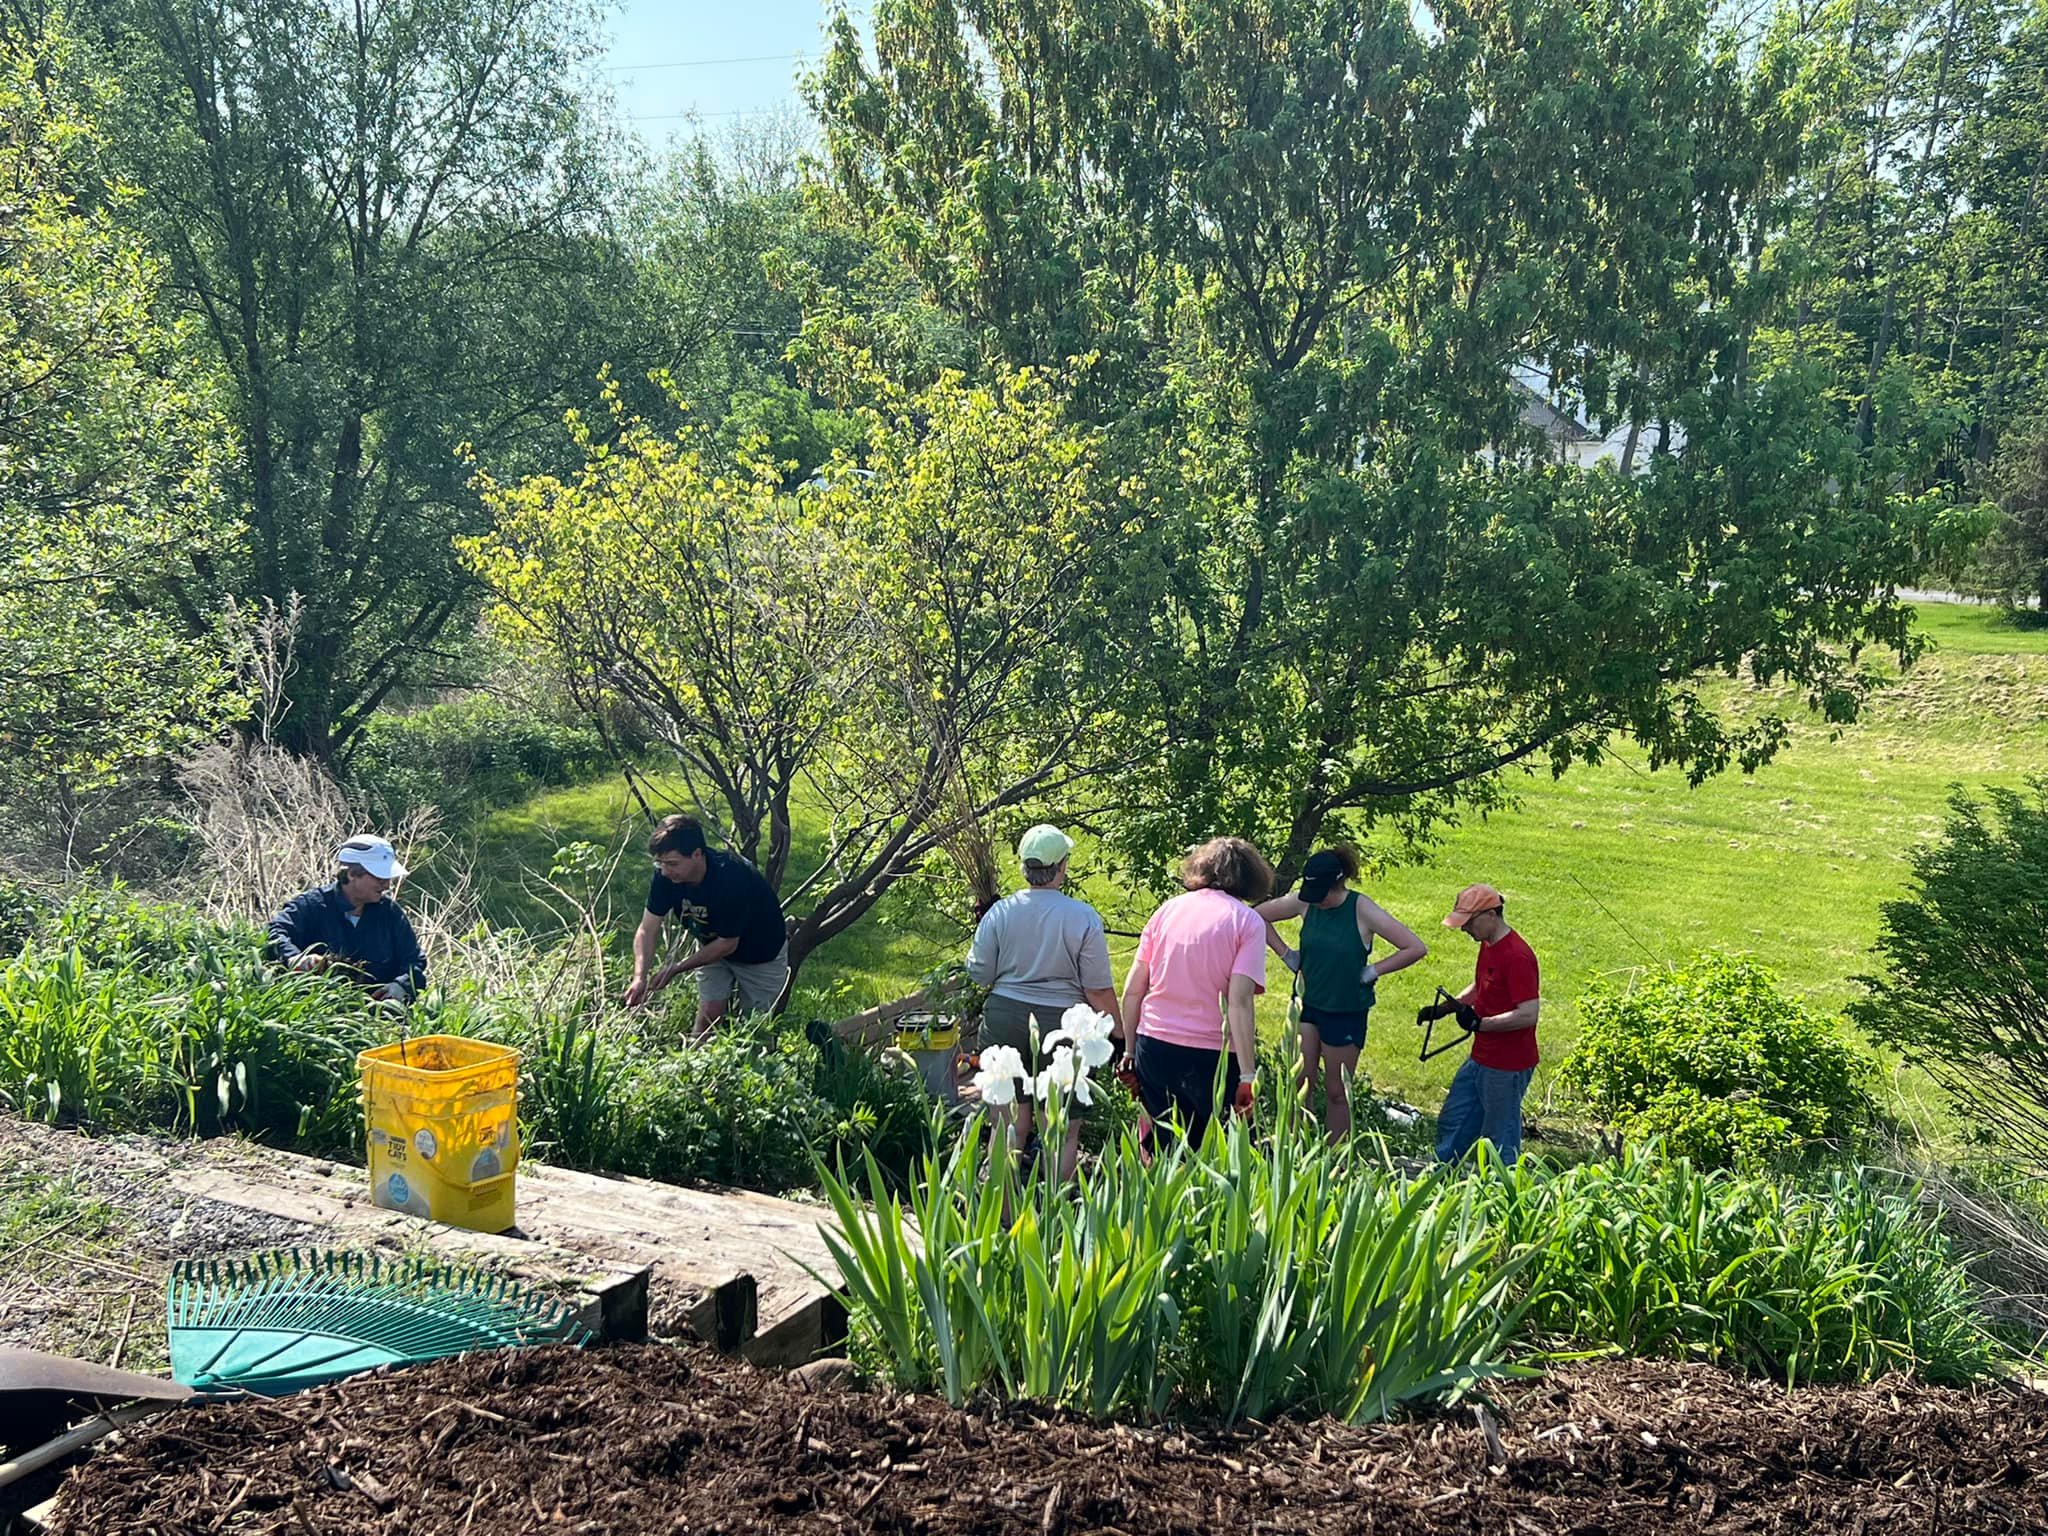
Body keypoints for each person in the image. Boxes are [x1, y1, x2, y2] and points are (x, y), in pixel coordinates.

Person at [966, 824, 1122, 1180]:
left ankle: (1002, 1217)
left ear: (1023, 867)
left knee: (1007, 1124)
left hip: (1005, 1016)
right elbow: (1097, 990)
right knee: (1062, 1129)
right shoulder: (1082, 917)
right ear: (1062, 866)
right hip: (1064, 1024)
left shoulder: (1000, 912)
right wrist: (1119, 1032)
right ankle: (1056, 1221)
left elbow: (979, 974)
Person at [1257, 847, 1428, 1142]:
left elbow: (1414, 947)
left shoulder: (1361, 909)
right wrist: (1286, 954)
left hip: (1345, 1010)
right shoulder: (1306, 902)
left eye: (1321, 894)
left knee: (1337, 1091)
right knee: (1299, 1081)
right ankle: (1295, 1149)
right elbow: (1256, 916)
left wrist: (1374, 970)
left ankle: (1335, 1159)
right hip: (1306, 1005)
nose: (1316, 901)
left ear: (1337, 885)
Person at [1120, 836, 1272, 1150]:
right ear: (1251, 877)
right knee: (1212, 1154)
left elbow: (1133, 991)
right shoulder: (1247, 922)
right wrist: (1247, 1074)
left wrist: (1130, 1051)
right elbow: (1239, 1002)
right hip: (1212, 1057)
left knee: (1158, 1153)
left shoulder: (1166, 911)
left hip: (1155, 1047)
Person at [624, 815, 789, 1031]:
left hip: (761, 955)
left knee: (755, 1029)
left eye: (672, 863)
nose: (664, 871)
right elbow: (647, 929)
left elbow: (728, 944)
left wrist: (676, 969)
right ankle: (695, 1060)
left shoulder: (732, 878)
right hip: (712, 946)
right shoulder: (665, 877)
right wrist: (639, 977)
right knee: (708, 1014)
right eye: (660, 863)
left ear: (697, 854)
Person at [1418, 883, 1541, 1164]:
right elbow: (1480, 986)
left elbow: (1528, 1014)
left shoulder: (1517, 956)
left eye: (1469, 923)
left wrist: (1480, 1024)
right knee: (1456, 1117)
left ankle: (1503, 1188)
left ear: (1491, 915)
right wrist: (1446, 1009)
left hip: (1507, 1063)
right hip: (1482, 1056)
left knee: (1500, 1133)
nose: (1465, 930)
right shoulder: (1489, 945)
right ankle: (1442, 1169)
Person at [266, 835, 426, 1004]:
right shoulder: (310, 906)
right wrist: (295, 958)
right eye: (379, 878)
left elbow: (414, 960)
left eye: (388, 878)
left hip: (380, 1018)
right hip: (319, 1012)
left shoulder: (391, 914)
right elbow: (274, 932)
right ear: (351, 874)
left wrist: (400, 985)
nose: (386, 885)